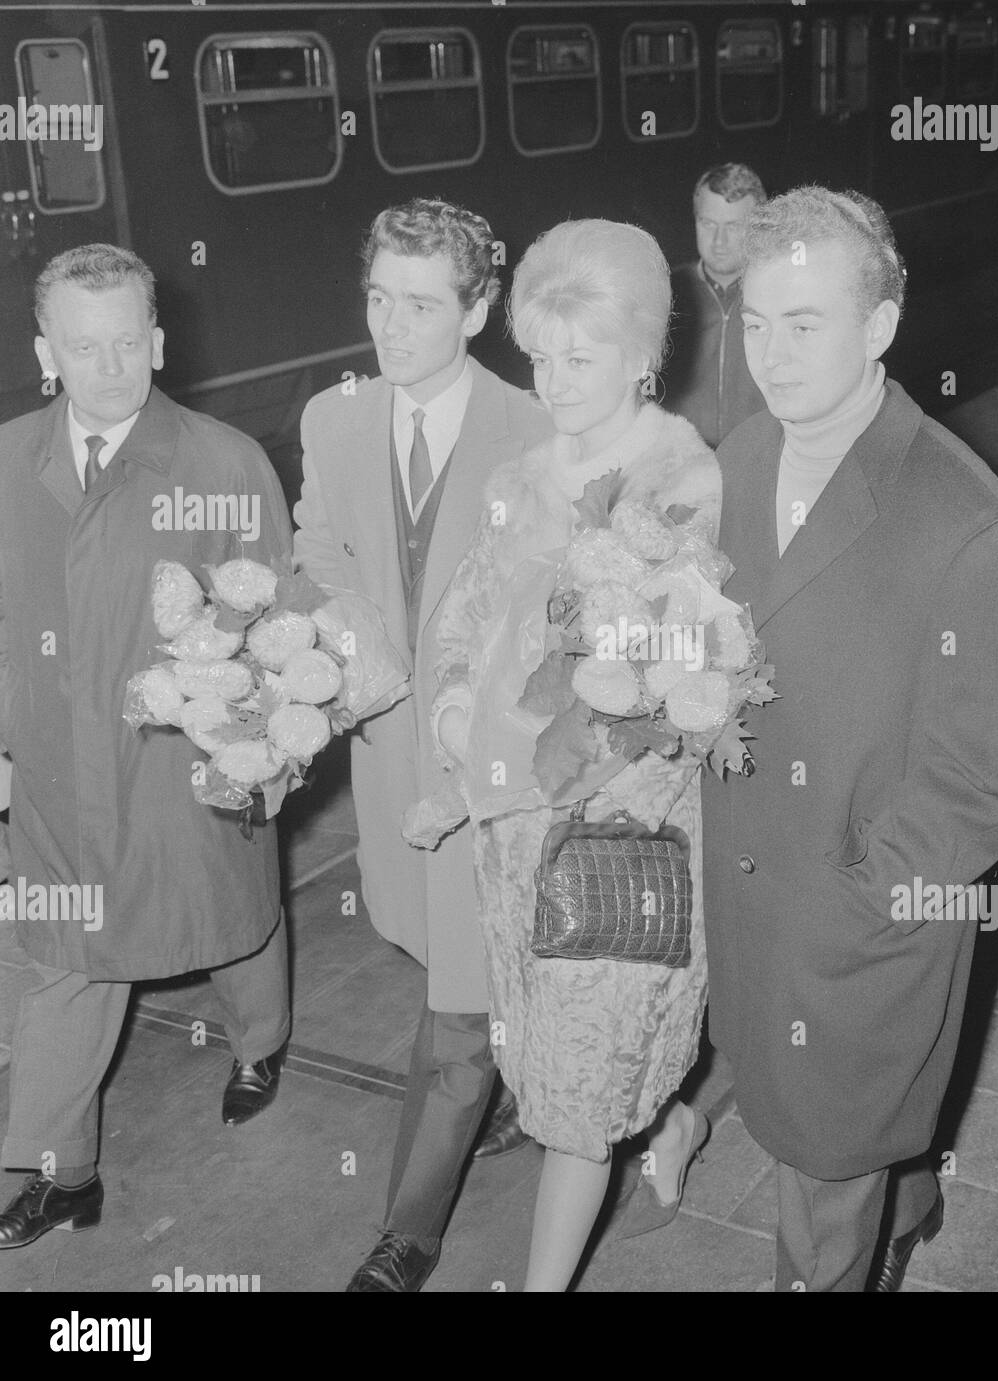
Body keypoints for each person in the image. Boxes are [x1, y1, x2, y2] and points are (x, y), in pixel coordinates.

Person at [702, 188, 998, 1291]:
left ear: (880, 325)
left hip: (857, 911)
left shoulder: (961, 518)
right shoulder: (740, 457)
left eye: (804, 323)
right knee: (821, 1117)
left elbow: (996, 760)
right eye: (755, 323)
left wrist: (874, 890)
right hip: (752, 890)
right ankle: (907, 1204)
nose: (771, 354)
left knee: (821, 1172)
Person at [421, 220, 718, 1290]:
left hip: (608, 825)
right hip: (510, 834)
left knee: (577, 1098)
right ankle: (675, 1124)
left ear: (645, 354)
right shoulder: (515, 475)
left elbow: (657, 699)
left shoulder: (680, 481)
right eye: (539, 356)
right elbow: (459, 622)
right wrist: (455, 709)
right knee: (550, 1059)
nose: (553, 382)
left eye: (580, 358)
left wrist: (500, 767)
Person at [0, 244, 294, 1250]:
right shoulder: (4, 463)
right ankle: (57, 1172)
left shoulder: (222, 463)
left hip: (180, 768)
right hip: (51, 777)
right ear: (48, 354)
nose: (111, 367)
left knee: (231, 922)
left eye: (129, 342)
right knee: (62, 960)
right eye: (85, 348)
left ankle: (261, 1043)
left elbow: (277, 634)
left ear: (158, 341)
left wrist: (259, 746)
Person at [293, 199, 552, 1292]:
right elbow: (317, 545)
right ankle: (529, 1087)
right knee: (456, 966)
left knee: (458, 1000)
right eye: (376, 300)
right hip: (389, 757)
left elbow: (553, 618)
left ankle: (410, 1229)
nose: (389, 329)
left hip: (493, 773)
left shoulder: (535, 429)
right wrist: (350, 636)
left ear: (480, 309)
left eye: (419, 306)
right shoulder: (334, 418)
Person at [663, 163, 770, 447]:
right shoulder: (666, 292)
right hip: (684, 460)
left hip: (760, 458)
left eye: (733, 226)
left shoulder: (782, 294)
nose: (718, 241)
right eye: (708, 223)